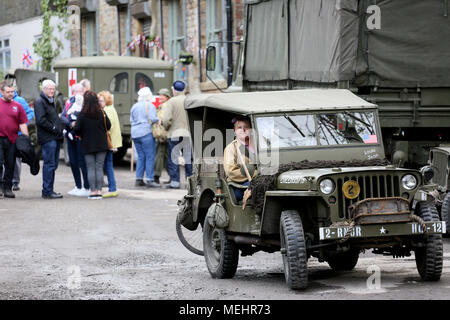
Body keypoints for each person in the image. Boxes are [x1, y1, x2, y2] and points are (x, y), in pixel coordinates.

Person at [74, 91, 111, 199]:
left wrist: (83, 134)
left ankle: (93, 191)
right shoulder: (101, 112)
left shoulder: (82, 114)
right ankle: (99, 191)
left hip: (87, 144)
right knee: (99, 168)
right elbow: (108, 126)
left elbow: (76, 129)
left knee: (90, 168)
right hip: (101, 144)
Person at [34, 79, 64, 199]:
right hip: (48, 139)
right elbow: (40, 120)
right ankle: (47, 191)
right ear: (44, 89)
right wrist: (54, 127)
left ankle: (49, 189)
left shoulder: (49, 100)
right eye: (50, 89)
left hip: (54, 138)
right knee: (49, 165)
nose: (52, 91)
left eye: (53, 89)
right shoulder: (40, 101)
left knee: (53, 165)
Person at [0, 87, 34, 191]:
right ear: (2, 92)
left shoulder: (18, 105)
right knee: (0, 163)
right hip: (0, 139)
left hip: (12, 139)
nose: (10, 94)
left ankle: (8, 188)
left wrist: (26, 139)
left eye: (12, 92)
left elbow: (22, 123)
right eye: (8, 92)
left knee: (11, 164)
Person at [160, 80, 192, 189]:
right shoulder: (189, 100)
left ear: (174, 90)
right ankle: (190, 182)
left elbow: (166, 119)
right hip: (187, 134)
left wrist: (166, 127)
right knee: (188, 158)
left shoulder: (171, 101)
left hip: (174, 133)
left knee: (173, 158)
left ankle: (175, 181)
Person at [60, 83, 90, 197]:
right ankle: (78, 186)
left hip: (81, 137)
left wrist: (77, 123)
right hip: (70, 136)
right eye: (75, 92)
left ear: (84, 92)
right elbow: (62, 116)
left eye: (80, 91)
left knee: (82, 162)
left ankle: (87, 186)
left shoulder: (87, 103)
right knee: (73, 162)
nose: (78, 94)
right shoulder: (69, 102)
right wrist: (70, 123)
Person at [130, 86, 161, 188]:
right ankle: (149, 179)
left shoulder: (134, 106)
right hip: (145, 133)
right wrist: (159, 120)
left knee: (141, 156)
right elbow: (152, 118)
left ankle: (138, 179)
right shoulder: (150, 105)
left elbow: (132, 120)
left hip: (135, 134)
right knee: (149, 156)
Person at [223, 116, 258, 202]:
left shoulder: (258, 145)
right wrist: (255, 173)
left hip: (256, 181)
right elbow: (231, 171)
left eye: (246, 127)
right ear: (235, 130)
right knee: (260, 188)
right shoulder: (231, 148)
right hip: (239, 186)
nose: (243, 130)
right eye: (239, 128)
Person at [98, 90, 122, 198]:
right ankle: (112, 188)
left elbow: (109, 126)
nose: (99, 102)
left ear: (106, 100)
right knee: (108, 165)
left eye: (101, 100)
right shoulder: (111, 108)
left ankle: (112, 188)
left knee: (108, 166)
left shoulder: (107, 110)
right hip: (112, 142)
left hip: (108, 142)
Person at [153, 88, 171, 184]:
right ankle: (172, 176)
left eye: (162, 95)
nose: (160, 97)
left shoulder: (165, 106)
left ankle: (156, 176)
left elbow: (164, 120)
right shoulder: (164, 105)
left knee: (160, 155)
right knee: (166, 155)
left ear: (167, 97)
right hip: (165, 134)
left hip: (163, 134)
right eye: (159, 95)